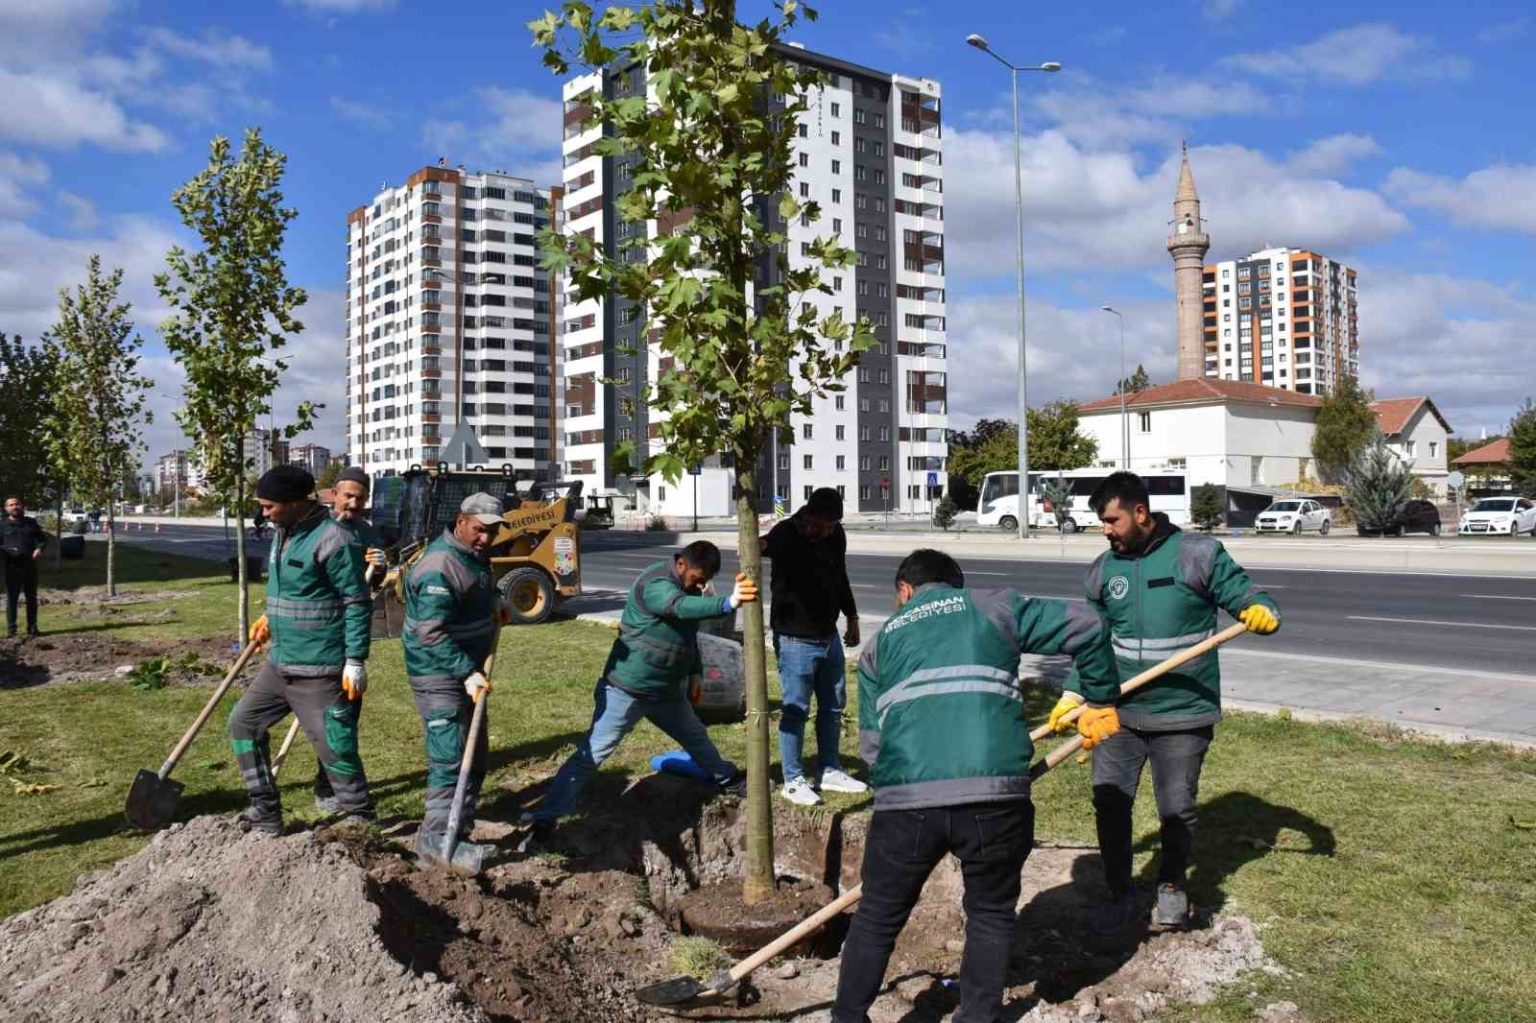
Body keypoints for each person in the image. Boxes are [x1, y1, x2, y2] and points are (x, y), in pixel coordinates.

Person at [833, 549, 1122, 1023]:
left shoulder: (878, 644)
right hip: (995, 796)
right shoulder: (993, 606)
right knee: (990, 913)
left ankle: (847, 1017)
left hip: (906, 803)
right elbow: (1089, 624)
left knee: (877, 916)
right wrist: (1101, 698)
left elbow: (872, 746)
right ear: (956, 585)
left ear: (904, 591)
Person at [1049, 471, 1280, 932]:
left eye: (1112, 520)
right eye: (1102, 522)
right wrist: (1074, 694)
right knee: (1110, 803)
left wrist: (1261, 609)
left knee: (1176, 808)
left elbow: (1245, 593)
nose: (1105, 530)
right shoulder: (1103, 570)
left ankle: (1172, 885)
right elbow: (1093, 643)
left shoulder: (1197, 555)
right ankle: (1118, 886)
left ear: (1140, 513)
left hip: (1182, 712)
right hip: (1116, 712)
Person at [526, 542, 757, 845]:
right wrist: (728, 603)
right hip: (627, 690)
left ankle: (728, 779)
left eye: (705, 581)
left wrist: (695, 672)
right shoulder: (655, 582)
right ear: (681, 564)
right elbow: (676, 607)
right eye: (697, 578)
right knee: (592, 754)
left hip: (666, 692)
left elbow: (688, 633)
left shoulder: (689, 588)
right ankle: (546, 819)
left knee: (696, 737)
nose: (700, 586)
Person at [228, 465, 375, 835]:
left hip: (319, 667)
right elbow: (297, 590)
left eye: (269, 506)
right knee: (243, 723)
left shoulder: (334, 540)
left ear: (295, 502)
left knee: (335, 747)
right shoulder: (284, 532)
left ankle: (360, 818)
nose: (264, 512)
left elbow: (357, 602)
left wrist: (355, 660)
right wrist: (270, 617)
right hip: (280, 663)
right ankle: (265, 810)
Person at [401, 492, 511, 861]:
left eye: (493, 532)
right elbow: (430, 632)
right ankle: (435, 840)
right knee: (450, 755)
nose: (486, 538)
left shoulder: (474, 554)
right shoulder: (439, 566)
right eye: (480, 530)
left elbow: (478, 585)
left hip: (469, 670)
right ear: (461, 521)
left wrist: (495, 598)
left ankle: (458, 828)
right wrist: (466, 671)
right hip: (438, 671)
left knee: (475, 754)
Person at [760, 486, 865, 806]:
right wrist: (755, 542)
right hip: (794, 639)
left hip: (828, 636)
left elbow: (840, 576)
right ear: (807, 515)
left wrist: (852, 616)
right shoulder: (785, 534)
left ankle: (829, 769)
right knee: (796, 709)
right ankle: (792, 780)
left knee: (833, 706)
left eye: (832, 526)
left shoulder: (836, 536)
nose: (826, 532)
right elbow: (756, 548)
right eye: (820, 525)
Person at [305, 465, 389, 815]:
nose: (354, 503)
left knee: (346, 716)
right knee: (322, 717)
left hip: (350, 636)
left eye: (361, 498)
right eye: (349, 496)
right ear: (334, 494)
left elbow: (373, 584)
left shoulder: (366, 532)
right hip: (317, 634)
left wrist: (380, 567)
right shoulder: (316, 529)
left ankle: (328, 785)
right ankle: (326, 787)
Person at [1, 496, 47, 638]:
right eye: (11, 505)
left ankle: (32, 627)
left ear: (22, 506)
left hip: (29, 565)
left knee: (31, 598)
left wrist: (39, 549)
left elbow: (42, 540)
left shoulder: (30, 523)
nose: (15, 507)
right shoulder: (2, 525)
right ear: (6, 508)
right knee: (12, 599)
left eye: (17, 504)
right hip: (11, 566)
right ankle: (11, 630)